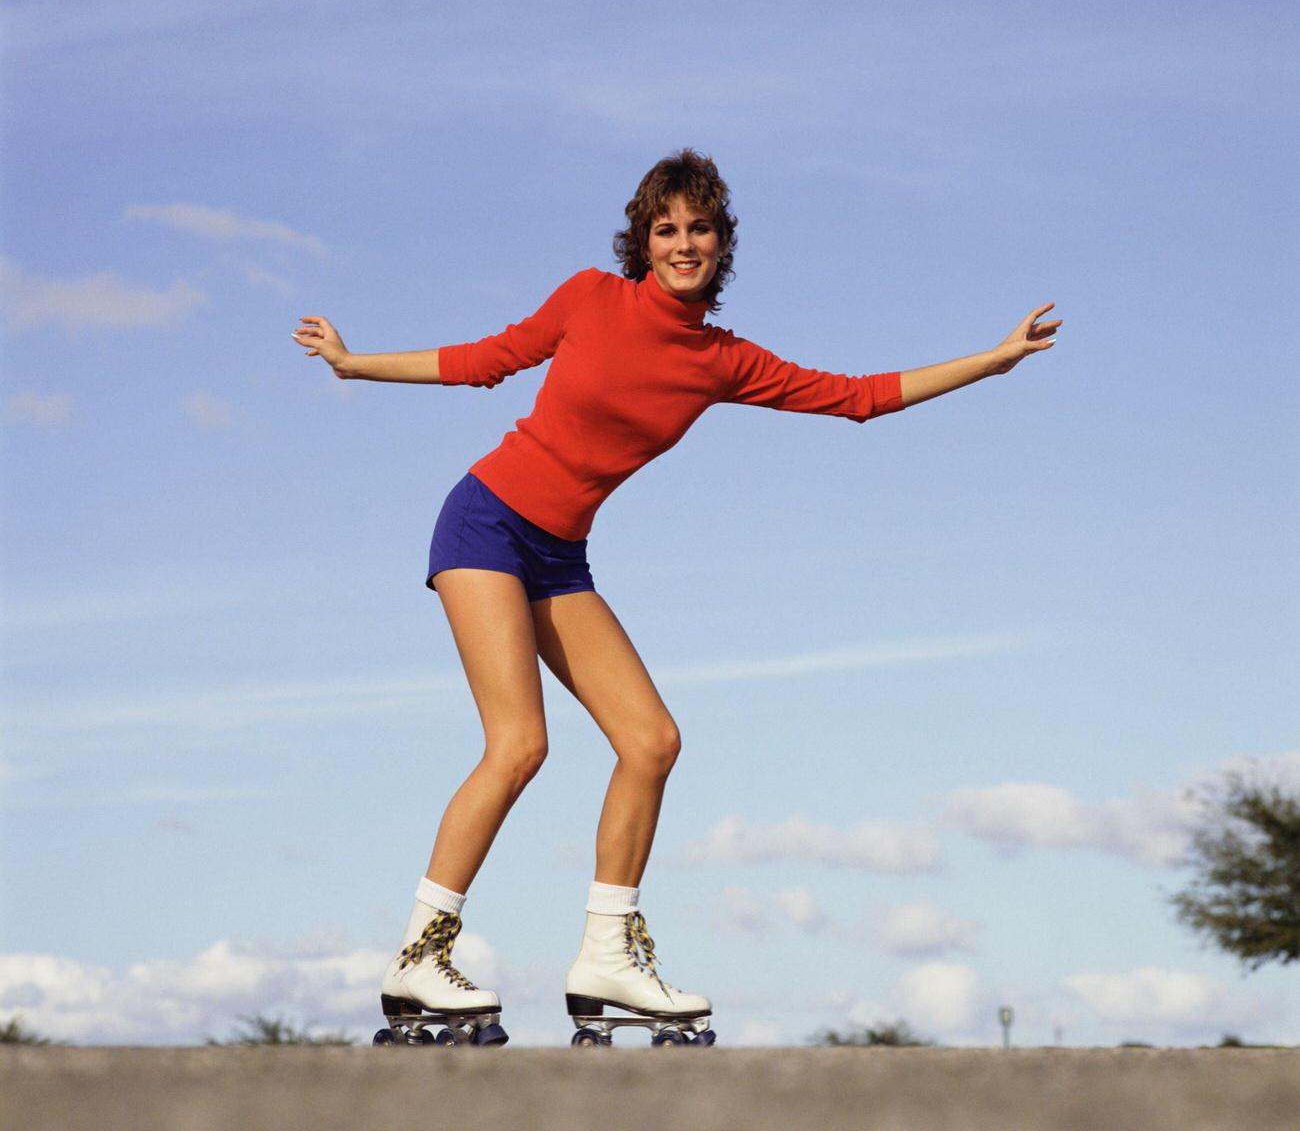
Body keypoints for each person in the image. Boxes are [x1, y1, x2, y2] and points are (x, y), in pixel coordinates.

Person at [291, 149, 1061, 1044]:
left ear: (722, 244)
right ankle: (420, 956)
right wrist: (354, 365)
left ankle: (608, 956)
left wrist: (992, 362)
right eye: (667, 229)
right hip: (486, 525)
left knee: (651, 741)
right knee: (520, 743)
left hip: (559, 555)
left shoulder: (721, 361)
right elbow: (487, 360)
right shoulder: (590, 298)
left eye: (700, 229)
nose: (684, 243)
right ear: (643, 243)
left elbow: (857, 399)